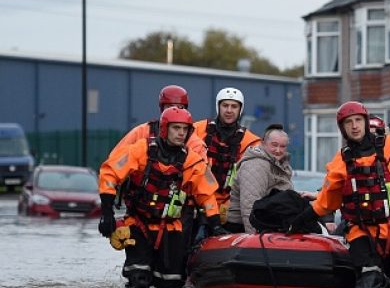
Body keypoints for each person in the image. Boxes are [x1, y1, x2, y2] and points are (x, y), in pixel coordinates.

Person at [288, 101, 390, 288]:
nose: (354, 126)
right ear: (342, 128)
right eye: (348, 122)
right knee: (369, 287)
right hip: (361, 231)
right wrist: (297, 222)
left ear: (366, 122)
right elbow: (326, 202)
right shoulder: (340, 161)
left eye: (358, 120)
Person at [97, 107, 228, 288]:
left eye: (185, 129)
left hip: (171, 227)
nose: (181, 133)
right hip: (138, 222)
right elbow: (110, 173)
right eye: (176, 128)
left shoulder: (193, 161)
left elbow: (206, 194)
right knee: (138, 279)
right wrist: (107, 213)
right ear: (165, 129)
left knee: (170, 284)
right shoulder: (141, 149)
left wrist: (215, 225)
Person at [193, 87, 261, 222]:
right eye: (225, 105)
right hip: (196, 201)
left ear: (240, 110)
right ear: (218, 106)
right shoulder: (197, 130)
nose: (229, 110)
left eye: (234, 106)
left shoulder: (251, 142)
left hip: (229, 207)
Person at [108, 85, 207, 160]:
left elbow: (202, 176)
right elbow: (115, 159)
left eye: (180, 107)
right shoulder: (142, 132)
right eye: (170, 107)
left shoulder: (195, 144)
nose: (175, 111)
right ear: (162, 108)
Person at [225, 124, 293, 233]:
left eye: (282, 146)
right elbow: (249, 207)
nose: (278, 150)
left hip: (268, 228)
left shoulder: (281, 165)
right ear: (263, 143)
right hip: (243, 230)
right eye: (274, 145)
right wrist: (255, 241)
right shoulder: (255, 165)